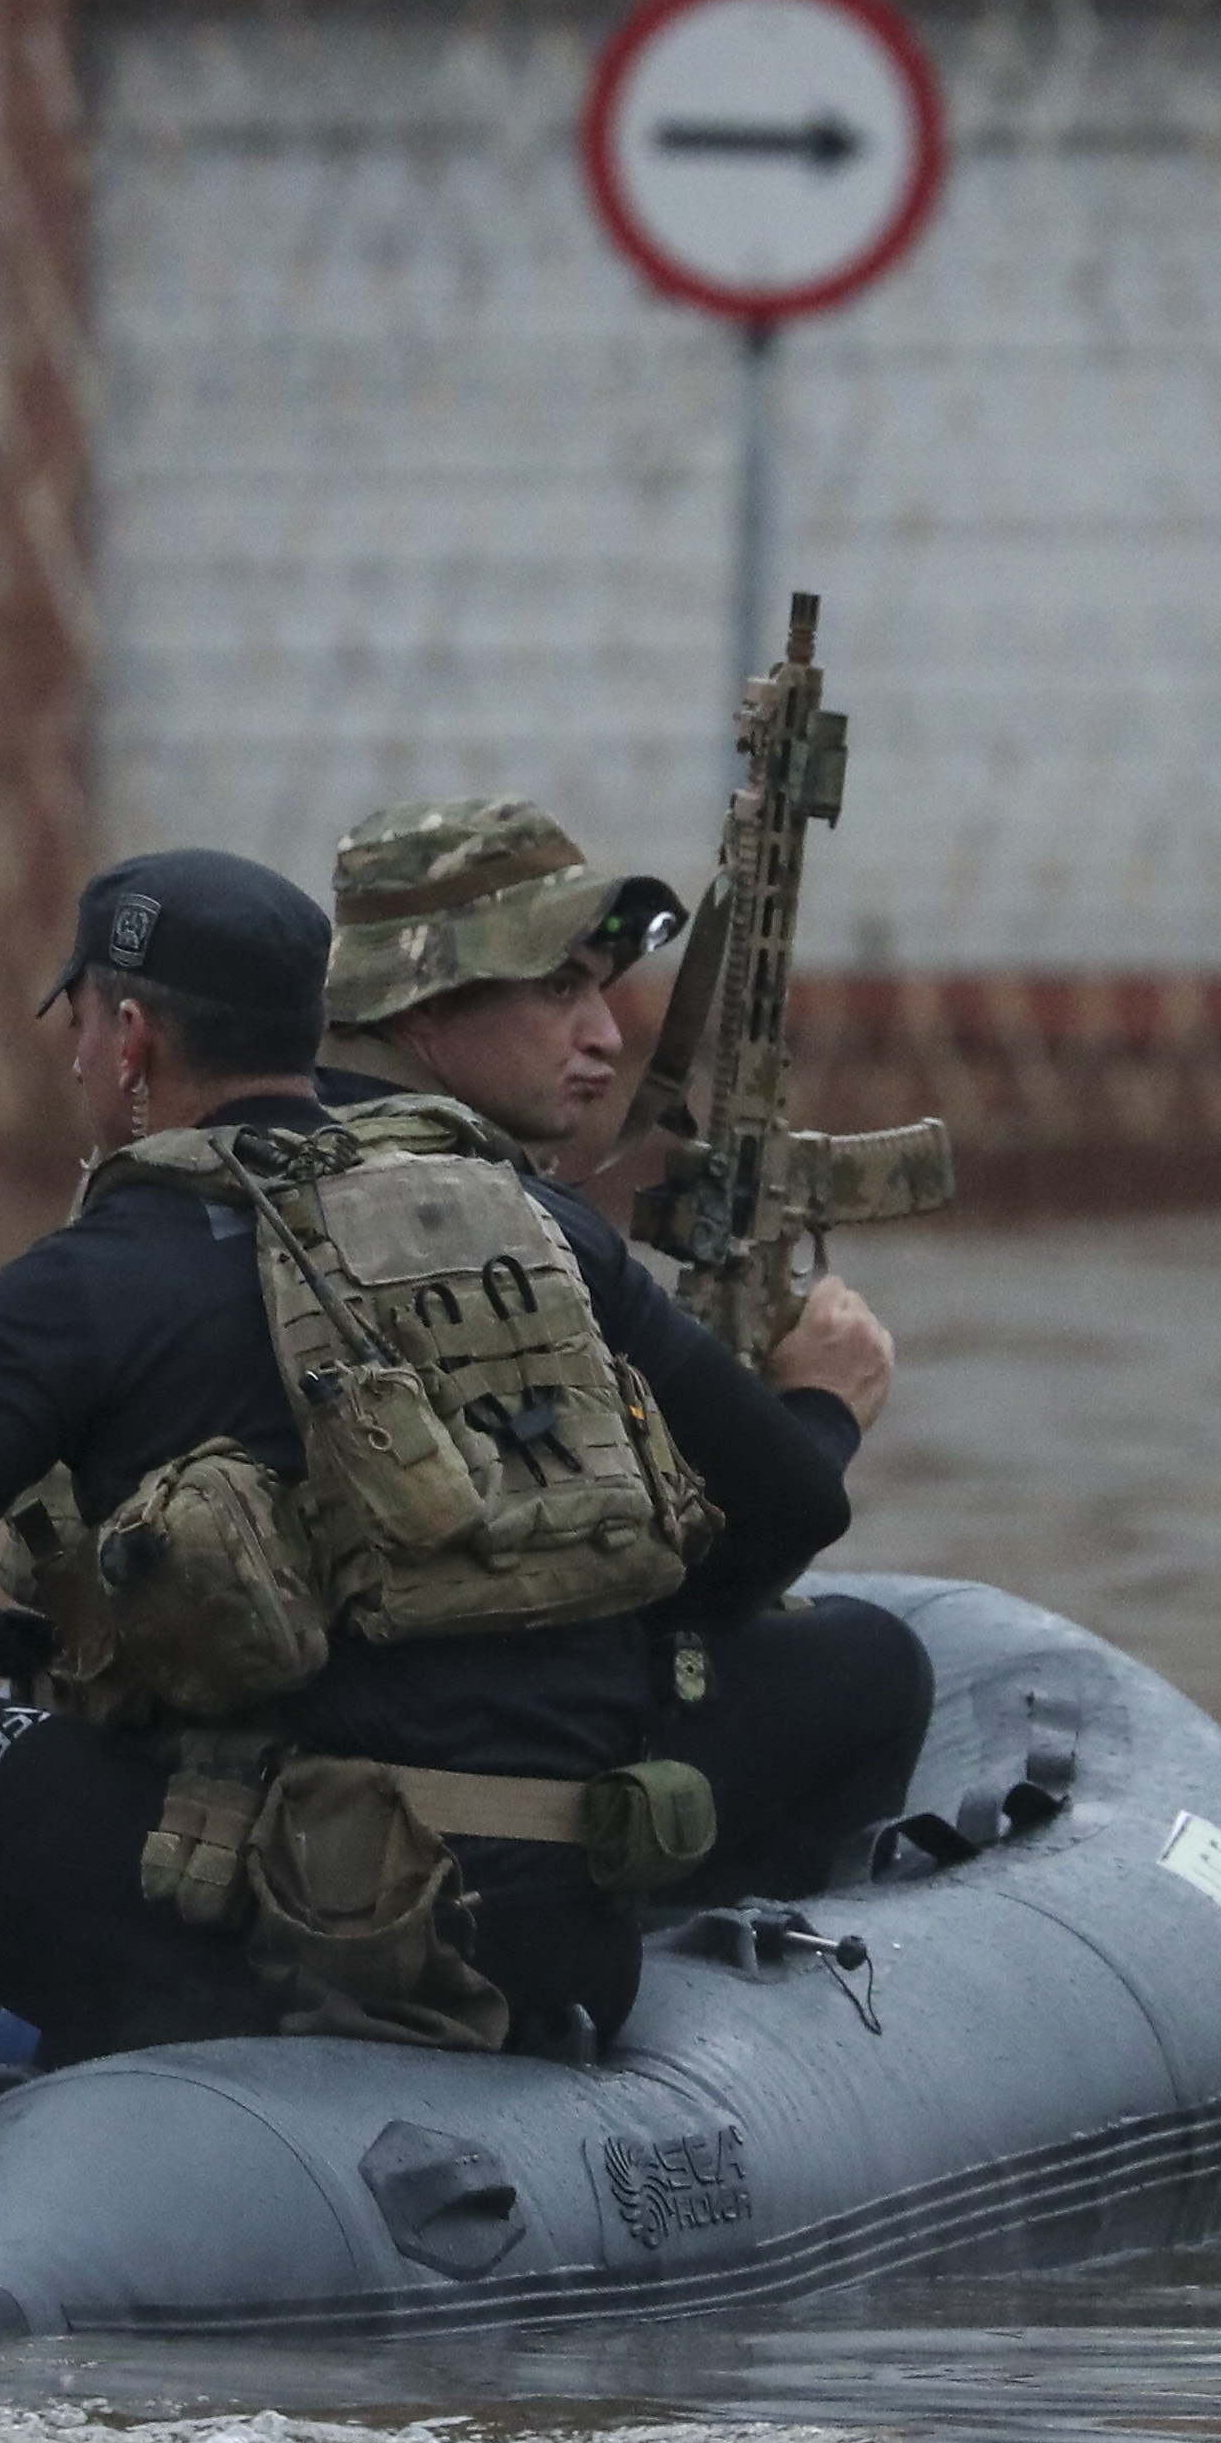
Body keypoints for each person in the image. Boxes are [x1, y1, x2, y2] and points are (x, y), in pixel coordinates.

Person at [0, 848, 863, 2064]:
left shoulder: (83, 1289)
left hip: (300, 1939)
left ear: (131, 1038)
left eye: (83, 1023)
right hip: (563, 1927)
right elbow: (792, 1501)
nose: (75, 1058)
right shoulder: (537, 1227)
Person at [318, 795, 931, 1901]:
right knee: (867, 1662)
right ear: (422, 1006)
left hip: (277, 1758)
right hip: (479, 1798)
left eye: (601, 988)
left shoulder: (241, 1169)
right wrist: (821, 1405)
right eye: (559, 988)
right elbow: (763, 1528)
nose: (605, 1033)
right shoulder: (522, 1228)